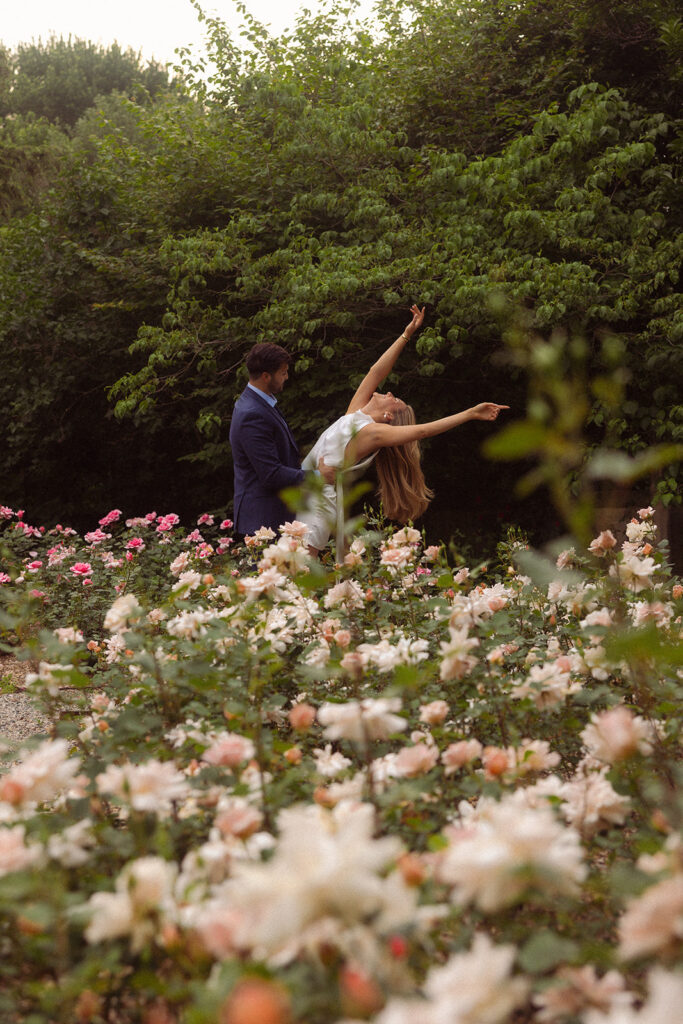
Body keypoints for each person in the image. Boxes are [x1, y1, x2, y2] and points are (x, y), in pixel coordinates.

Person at [299, 305, 509, 553]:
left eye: (393, 398)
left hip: (317, 502)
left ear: (388, 416)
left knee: (296, 575)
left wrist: (470, 413)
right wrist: (407, 333)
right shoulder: (354, 414)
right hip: (303, 489)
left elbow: (422, 431)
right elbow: (376, 371)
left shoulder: (371, 433)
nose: (388, 391)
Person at [230, 342, 333, 537]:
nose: (287, 377)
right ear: (266, 376)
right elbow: (270, 474)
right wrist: (318, 477)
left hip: (273, 516)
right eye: (283, 373)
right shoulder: (252, 414)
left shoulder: (261, 403)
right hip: (263, 522)